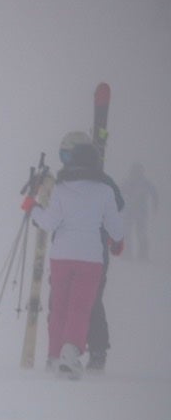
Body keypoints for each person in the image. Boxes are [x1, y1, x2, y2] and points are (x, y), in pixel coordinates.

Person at [26, 141, 124, 378]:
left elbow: (48, 223)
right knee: (80, 308)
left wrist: (32, 207)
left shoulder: (61, 189)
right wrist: (117, 243)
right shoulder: (105, 191)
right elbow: (116, 231)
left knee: (58, 306)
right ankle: (70, 356)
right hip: (90, 258)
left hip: (61, 256)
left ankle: (53, 355)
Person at [59, 132, 125, 371]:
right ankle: (65, 350)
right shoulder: (66, 179)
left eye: (67, 154)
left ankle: (96, 350)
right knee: (68, 300)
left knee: (90, 300)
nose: (64, 159)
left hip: (93, 252)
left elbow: (116, 207)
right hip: (67, 251)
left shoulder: (101, 183)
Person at [119, 162, 158, 261]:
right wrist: (155, 205)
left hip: (136, 212)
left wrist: (155, 205)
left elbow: (154, 194)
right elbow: (154, 195)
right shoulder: (142, 183)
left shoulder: (140, 183)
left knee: (138, 233)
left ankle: (138, 255)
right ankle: (137, 255)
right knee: (136, 233)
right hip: (134, 212)